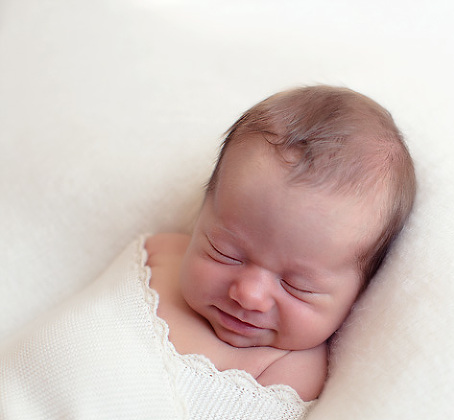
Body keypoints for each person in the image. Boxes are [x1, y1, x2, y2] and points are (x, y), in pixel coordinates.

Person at [145, 85, 416, 402]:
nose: (249, 295)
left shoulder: (287, 375)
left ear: (359, 292)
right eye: (226, 254)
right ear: (204, 212)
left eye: (296, 285)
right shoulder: (159, 255)